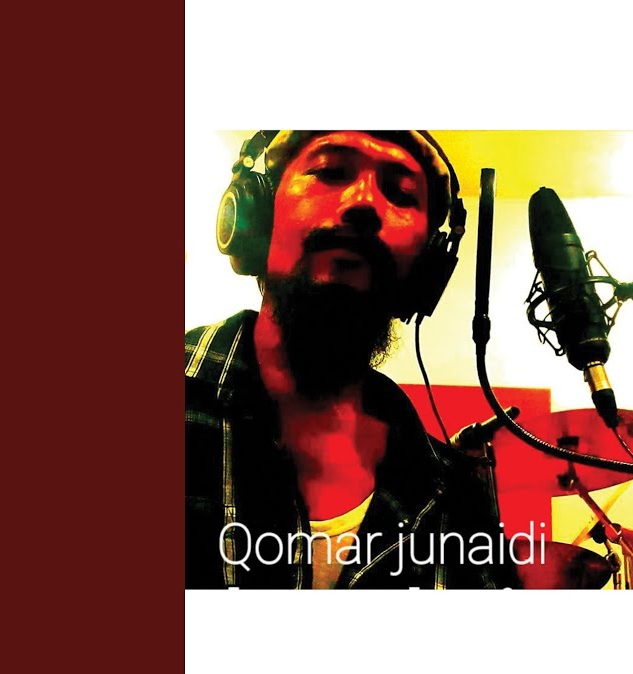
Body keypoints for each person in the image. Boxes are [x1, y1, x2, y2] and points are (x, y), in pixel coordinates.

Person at [185, 131, 522, 589]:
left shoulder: (459, 501)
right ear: (258, 215)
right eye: (330, 172)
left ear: (426, 269)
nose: (364, 203)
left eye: (401, 194)